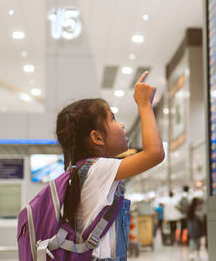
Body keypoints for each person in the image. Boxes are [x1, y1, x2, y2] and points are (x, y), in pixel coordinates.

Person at [55, 71, 165, 261]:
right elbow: (155, 153)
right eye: (113, 119)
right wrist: (145, 104)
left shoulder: (85, 171)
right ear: (97, 137)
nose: (122, 125)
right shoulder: (98, 169)